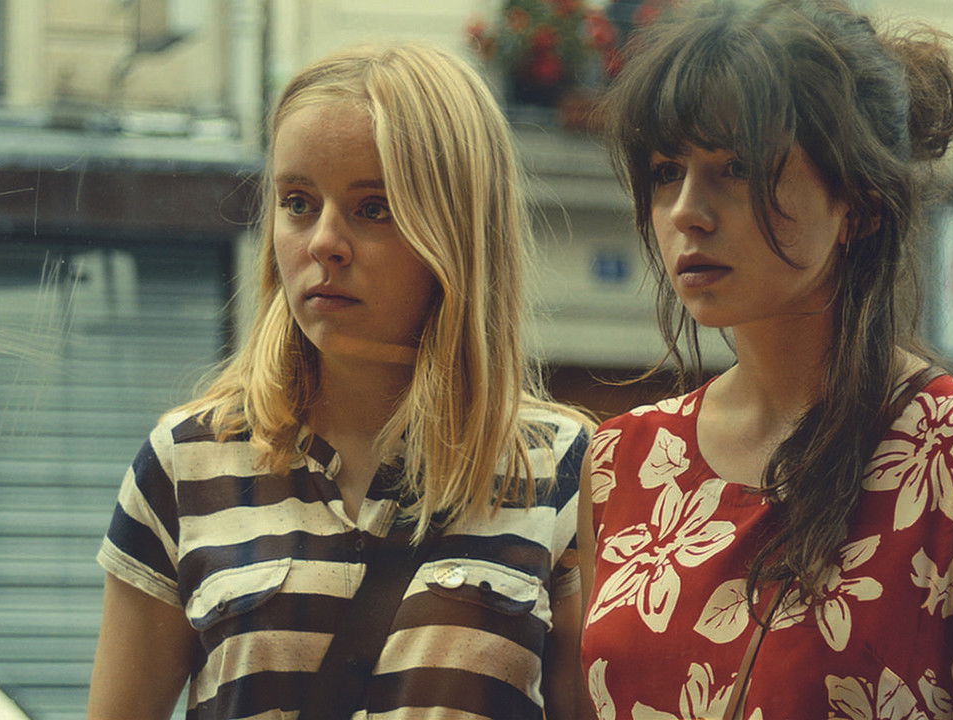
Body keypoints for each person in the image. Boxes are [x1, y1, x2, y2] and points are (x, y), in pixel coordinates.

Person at [576, 1, 953, 718]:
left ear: (858, 205)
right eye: (667, 171)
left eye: (737, 167)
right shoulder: (622, 462)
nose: (686, 211)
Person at [88, 43, 591, 720]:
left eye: (374, 208)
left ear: (457, 230)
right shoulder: (186, 463)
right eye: (297, 202)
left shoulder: (563, 470)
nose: (323, 241)